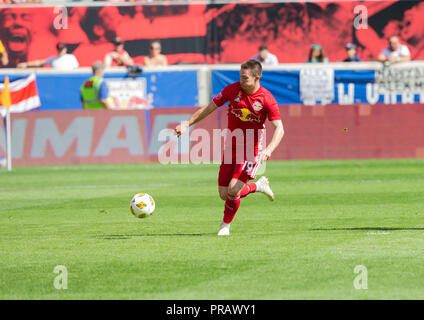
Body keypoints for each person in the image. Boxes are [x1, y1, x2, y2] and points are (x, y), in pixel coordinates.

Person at [174, 60, 284, 236]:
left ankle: (225, 225)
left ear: (257, 77)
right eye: (240, 76)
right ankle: (258, 186)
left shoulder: (266, 99)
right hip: (231, 144)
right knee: (224, 194)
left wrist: (269, 149)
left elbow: (279, 128)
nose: (241, 80)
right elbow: (209, 107)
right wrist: (187, 123)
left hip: (252, 148)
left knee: (234, 189)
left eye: (245, 78)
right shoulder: (232, 90)